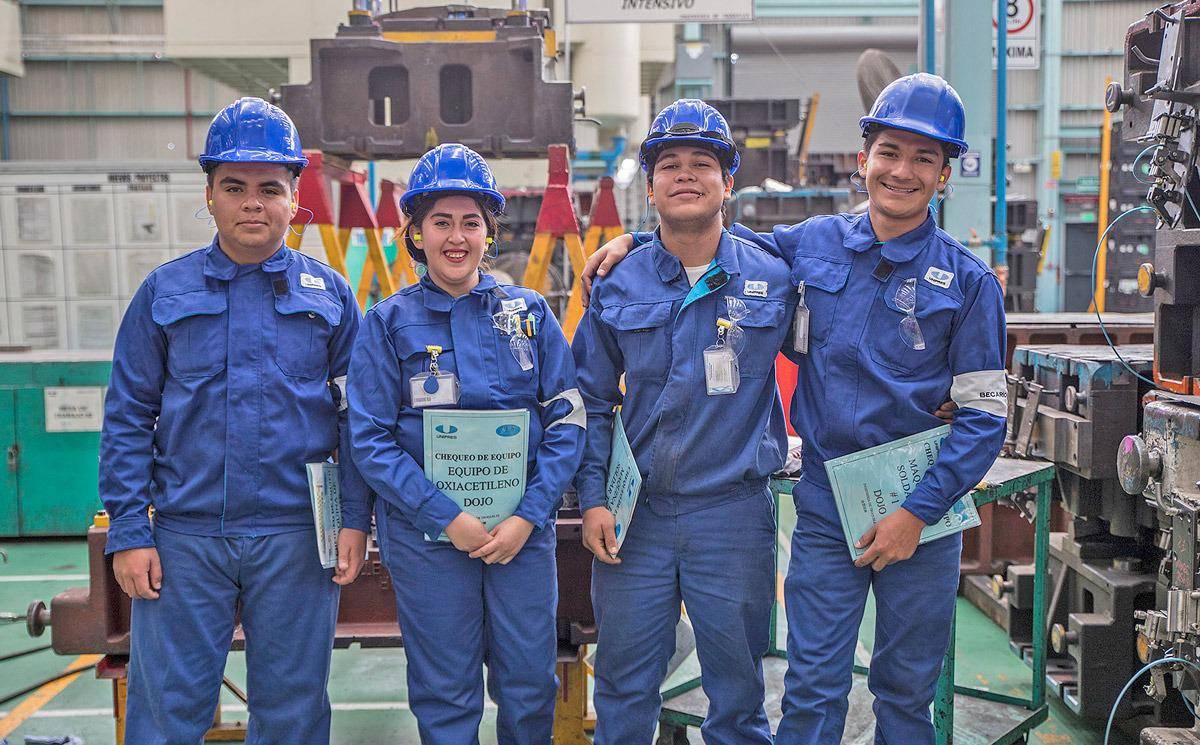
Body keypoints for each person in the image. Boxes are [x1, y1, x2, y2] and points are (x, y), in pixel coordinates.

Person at [584, 74, 1007, 744]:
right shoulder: (812, 245)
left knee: (907, 692)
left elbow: (985, 419)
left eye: (924, 158)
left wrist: (916, 514)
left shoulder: (970, 283)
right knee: (811, 690)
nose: (902, 171)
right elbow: (702, 236)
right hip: (826, 505)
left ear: (945, 174)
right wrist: (635, 243)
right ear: (863, 159)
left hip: (920, 512)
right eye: (889, 152)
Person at [100, 96, 370, 744]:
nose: (253, 203)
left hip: (296, 537)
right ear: (210, 195)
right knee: (166, 713)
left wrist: (355, 520)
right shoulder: (164, 293)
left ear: (294, 198)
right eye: (235, 187)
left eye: (270, 188)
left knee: (293, 714)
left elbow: (356, 421)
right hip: (186, 539)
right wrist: (129, 529)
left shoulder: (331, 297)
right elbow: (128, 416)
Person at [572, 99, 798, 745]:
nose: (686, 175)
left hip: (732, 515)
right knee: (623, 689)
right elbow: (589, 401)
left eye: (703, 163)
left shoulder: (775, 276)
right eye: (670, 164)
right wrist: (593, 498)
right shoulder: (617, 280)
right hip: (635, 515)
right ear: (650, 186)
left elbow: (844, 351)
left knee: (738, 695)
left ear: (728, 182)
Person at [348, 143, 585, 744]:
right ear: (416, 233)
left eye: (471, 223)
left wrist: (529, 516)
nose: (457, 238)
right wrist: (445, 517)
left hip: (520, 538)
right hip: (427, 541)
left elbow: (567, 419)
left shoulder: (530, 315)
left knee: (529, 683)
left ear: (489, 232)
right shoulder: (387, 324)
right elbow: (369, 439)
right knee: (445, 690)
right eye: (441, 222)